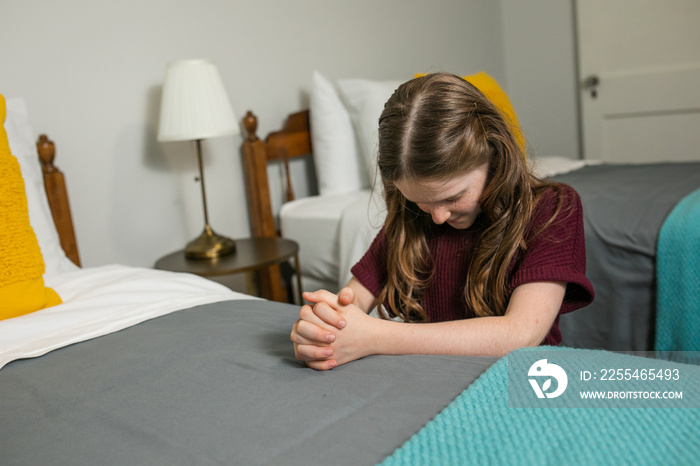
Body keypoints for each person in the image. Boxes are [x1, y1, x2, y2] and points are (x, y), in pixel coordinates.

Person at [291, 72, 594, 370]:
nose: (438, 217)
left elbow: (520, 334)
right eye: (420, 201)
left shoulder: (554, 208)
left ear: (494, 155)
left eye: (453, 197)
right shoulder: (411, 220)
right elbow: (353, 300)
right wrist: (324, 329)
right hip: (436, 382)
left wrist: (374, 336)